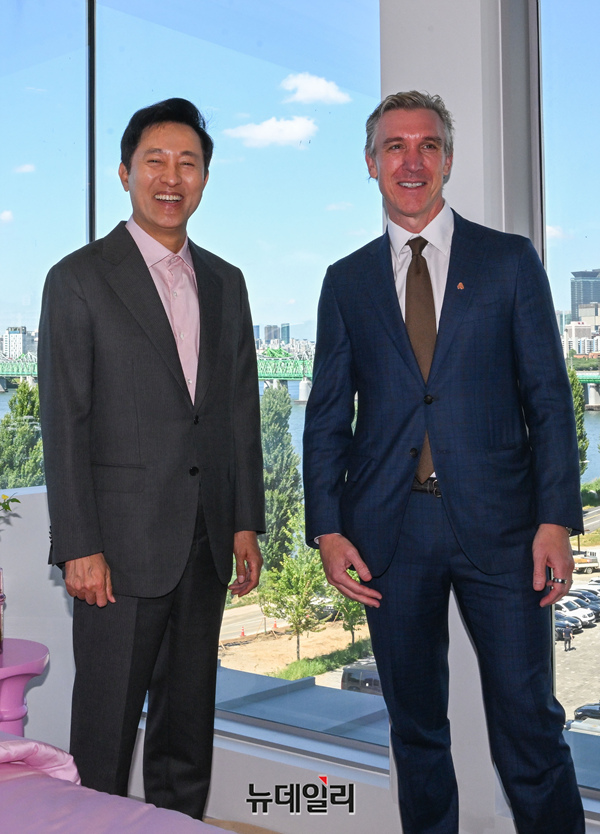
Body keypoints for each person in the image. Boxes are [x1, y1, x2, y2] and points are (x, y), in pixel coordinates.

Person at [303, 91, 584, 834]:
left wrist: (556, 520)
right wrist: (327, 528)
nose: (412, 161)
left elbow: (550, 401)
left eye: (427, 145)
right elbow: (327, 417)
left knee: (529, 724)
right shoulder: (346, 281)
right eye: (394, 146)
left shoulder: (509, 262)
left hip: (505, 531)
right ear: (371, 163)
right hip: (388, 536)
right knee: (416, 729)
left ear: (448, 160)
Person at [38, 98, 264, 819]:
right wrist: (79, 544)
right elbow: (64, 422)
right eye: (155, 162)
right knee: (104, 733)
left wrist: (244, 521)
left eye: (187, 163)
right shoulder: (78, 278)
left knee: (186, 733)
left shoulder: (226, 281)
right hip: (116, 552)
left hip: (205, 541)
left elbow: (238, 412)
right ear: (125, 173)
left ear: (205, 179)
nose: (172, 178)